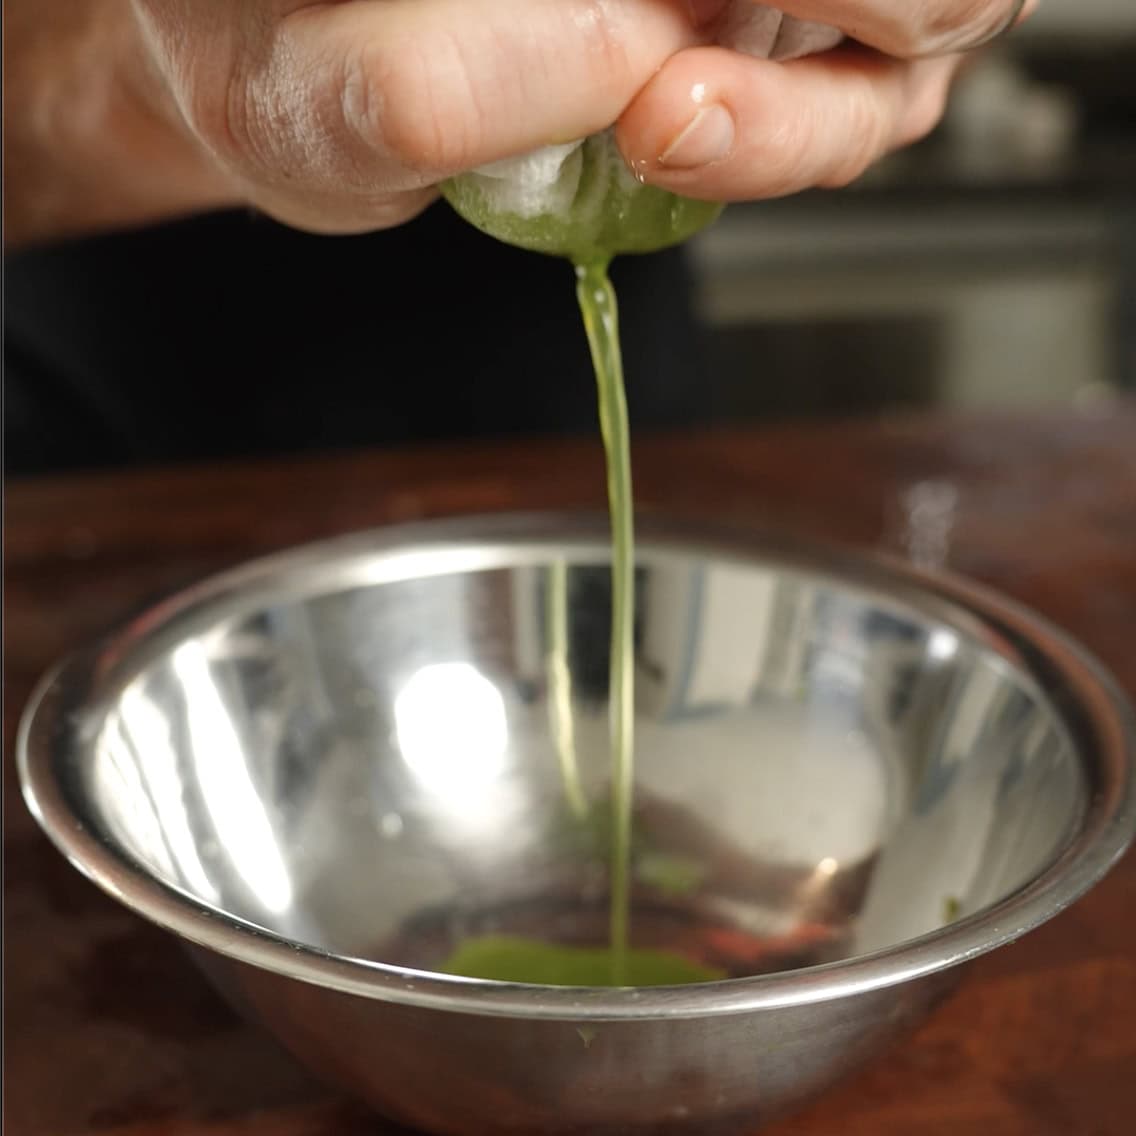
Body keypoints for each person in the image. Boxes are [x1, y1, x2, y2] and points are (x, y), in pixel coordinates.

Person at [4, 0, 1034, 475]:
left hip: (595, 396)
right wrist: (131, 70)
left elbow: (952, 44)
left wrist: (927, 26)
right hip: (94, 464)